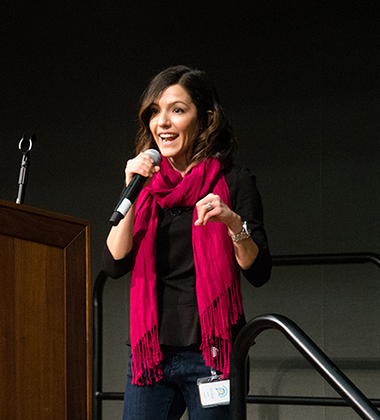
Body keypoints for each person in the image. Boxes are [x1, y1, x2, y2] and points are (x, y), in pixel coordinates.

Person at [103, 65, 272, 420]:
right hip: (152, 354)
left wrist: (232, 222)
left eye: (177, 110)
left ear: (206, 118)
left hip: (211, 353)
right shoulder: (145, 184)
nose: (162, 122)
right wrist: (131, 187)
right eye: (154, 112)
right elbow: (114, 262)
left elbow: (258, 270)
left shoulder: (234, 180)